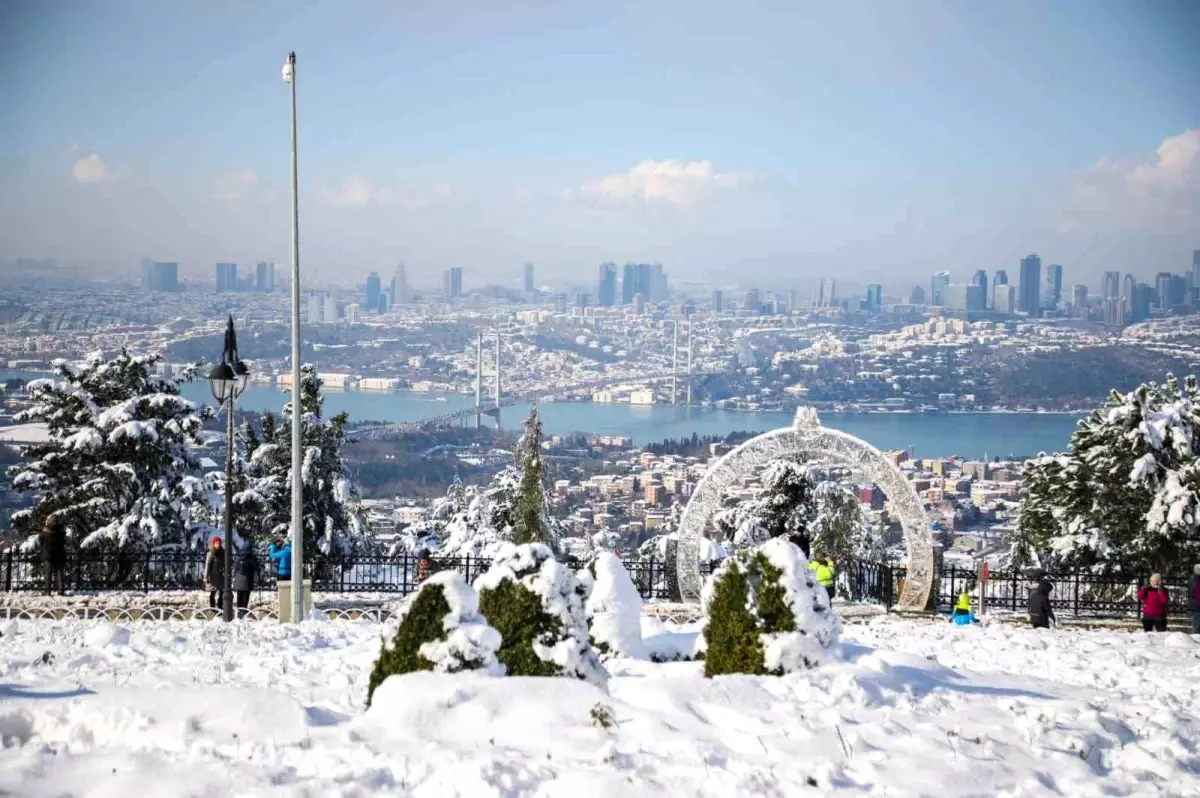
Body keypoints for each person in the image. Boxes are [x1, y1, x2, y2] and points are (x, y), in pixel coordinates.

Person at [40, 516, 67, 596]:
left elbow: (40, 540)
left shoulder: (46, 532)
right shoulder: (61, 531)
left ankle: (48, 591)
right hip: (60, 554)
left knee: (48, 573)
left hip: (48, 555)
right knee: (59, 573)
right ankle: (61, 590)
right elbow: (63, 542)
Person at [233, 546, 257, 617]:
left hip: (238, 578)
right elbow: (256, 568)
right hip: (247, 578)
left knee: (239, 595)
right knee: (246, 595)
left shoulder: (239, 557)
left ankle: (239, 610)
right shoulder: (251, 558)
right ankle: (244, 610)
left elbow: (235, 568)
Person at [204, 536, 226, 610]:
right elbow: (207, 565)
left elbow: (225, 563)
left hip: (220, 575)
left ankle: (220, 607)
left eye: (219, 543)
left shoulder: (223, 552)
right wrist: (206, 576)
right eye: (216, 543)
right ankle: (212, 608)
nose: (218, 545)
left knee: (221, 592)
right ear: (213, 544)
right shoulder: (211, 552)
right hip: (213, 575)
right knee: (213, 592)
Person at [1189, 564, 1200, 635]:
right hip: (1197, 609)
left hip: (1194, 608)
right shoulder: (1197, 580)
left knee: (1196, 630)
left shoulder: (1192, 580)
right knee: (1197, 631)